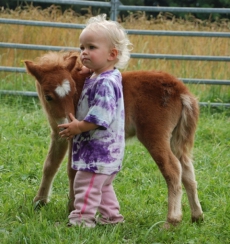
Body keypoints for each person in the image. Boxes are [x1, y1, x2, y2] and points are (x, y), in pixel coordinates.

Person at [58, 14, 132, 228]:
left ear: (112, 54)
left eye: (91, 47)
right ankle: (112, 218)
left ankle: (82, 220)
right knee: (103, 187)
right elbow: (100, 73)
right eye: (82, 47)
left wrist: (77, 127)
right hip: (107, 153)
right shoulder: (108, 75)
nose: (84, 52)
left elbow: (101, 116)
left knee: (85, 184)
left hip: (98, 150)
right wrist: (90, 69)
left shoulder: (105, 84)